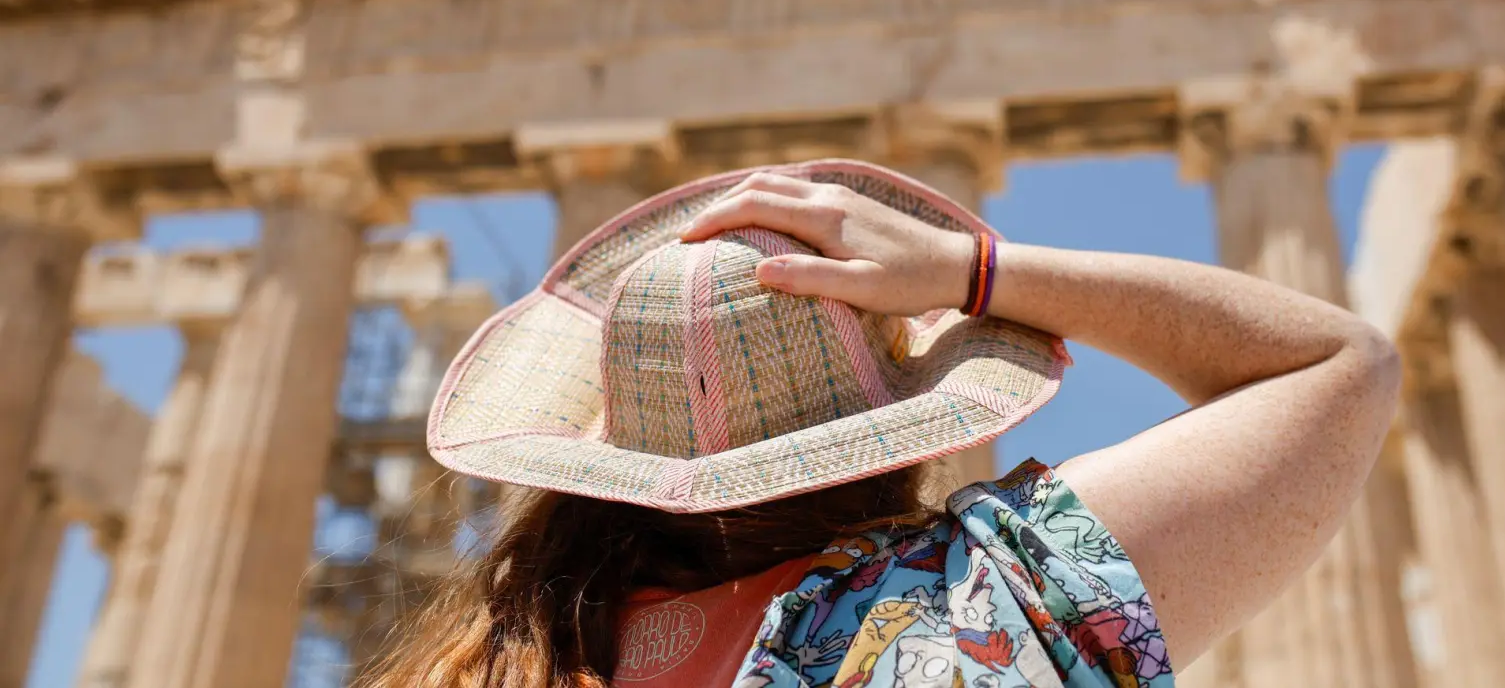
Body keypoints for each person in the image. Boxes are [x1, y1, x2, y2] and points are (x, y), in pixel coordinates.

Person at [364, 160, 1400, 688]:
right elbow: (1336, 362)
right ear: (895, 418)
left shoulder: (491, 665)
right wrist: (971, 271)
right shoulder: (986, 605)